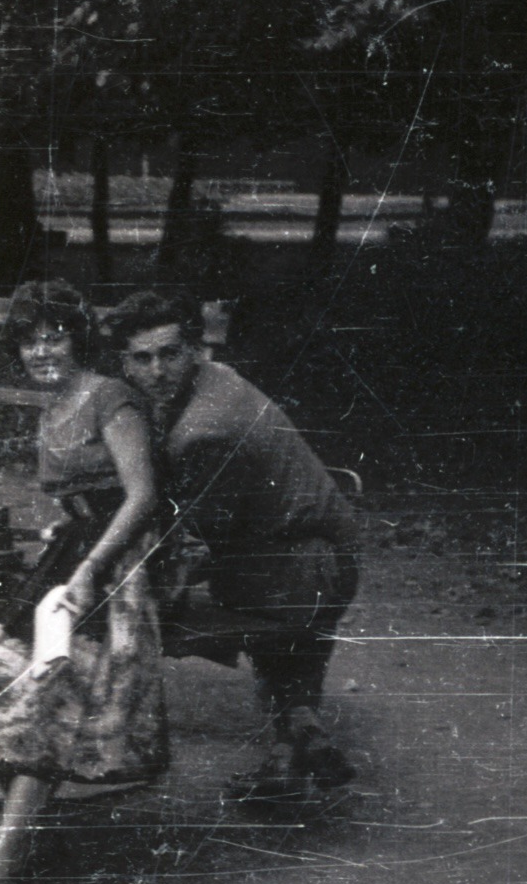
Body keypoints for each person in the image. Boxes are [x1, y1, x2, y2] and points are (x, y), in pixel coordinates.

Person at [0, 280, 165, 884]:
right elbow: (72, 498)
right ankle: (23, 832)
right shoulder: (52, 406)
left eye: (54, 337)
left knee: (49, 697)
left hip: (120, 563)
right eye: (30, 342)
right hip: (72, 553)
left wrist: (90, 567)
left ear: (78, 339)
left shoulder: (109, 398)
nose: (42, 352)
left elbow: (142, 496)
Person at [101, 288, 359, 797]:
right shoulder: (213, 382)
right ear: (125, 363)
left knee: (149, 604)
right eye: (142, 358)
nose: (157, 371)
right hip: (316, 553)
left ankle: (104, 743)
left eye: (170, 354)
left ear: (194, 349)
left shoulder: (206, 429)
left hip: (301, 566)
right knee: (251, 596)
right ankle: (298, 737)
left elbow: (197, 536)